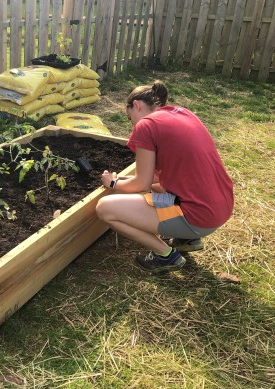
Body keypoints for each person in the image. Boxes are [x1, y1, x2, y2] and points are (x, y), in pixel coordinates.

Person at [96, 80, 233, 273]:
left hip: (199, 217)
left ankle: (165, 255)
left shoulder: (146, 125)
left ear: (136, 105)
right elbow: (156, 179)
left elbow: (142, 184)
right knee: (158, 189)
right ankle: (187, 239)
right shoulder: (182, 113)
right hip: (220, 207)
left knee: (105, 209)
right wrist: (123, 180)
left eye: (130, 118)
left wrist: (113, 183)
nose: (133, 125)